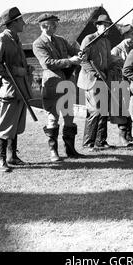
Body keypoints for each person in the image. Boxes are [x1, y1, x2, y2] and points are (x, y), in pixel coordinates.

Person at [32, 14, 84, 162]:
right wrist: (70, 61)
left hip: (67, 83)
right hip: (52, 84)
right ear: (44, 26)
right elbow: (47, 63)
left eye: (55, 24)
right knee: (53, 118)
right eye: (53, 25)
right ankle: (53, 152)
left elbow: (74, 51)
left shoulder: (60, 40)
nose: (56, 27)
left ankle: (71, 151)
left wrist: (80, 54)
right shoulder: (38, 44)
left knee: (69, 117)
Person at [0, 7, 33, 172]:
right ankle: (1, 160)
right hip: (10, 89)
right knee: (5, 126)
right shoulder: (2, 39)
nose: (23, 23)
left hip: (21, 89)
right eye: (20, 20)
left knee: (15, 126)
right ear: (13, 23)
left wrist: (26, 70)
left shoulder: (15, 39)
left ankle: (12, 156)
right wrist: (16, 71)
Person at [77, 14, 113, 151]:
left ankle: (101, 141)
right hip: (90, 80)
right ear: (98, 26)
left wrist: (113, 66)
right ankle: (88, 143)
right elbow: (83, 60)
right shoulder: (89, 39)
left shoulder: (106, 42)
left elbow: (108, 60)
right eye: (104, 25)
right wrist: (96, 73)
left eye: (109, 25)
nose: (107, 28)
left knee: (104, 111)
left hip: (104, 79)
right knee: (95, 111)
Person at [110, 24, 133, 146]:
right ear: (125, 36)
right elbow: (111, 67)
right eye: (132, 34)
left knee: (131, 108)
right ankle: (123, 136)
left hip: (132, 82)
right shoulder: (116, 50)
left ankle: (129, 134)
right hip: (120, 83)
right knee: (121, 109)